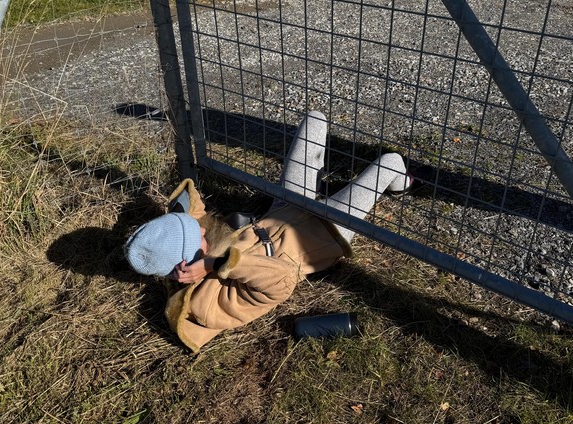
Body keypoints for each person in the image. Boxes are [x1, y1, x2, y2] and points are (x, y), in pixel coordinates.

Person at [124, 111, 412, 352]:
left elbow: (195, 218)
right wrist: (214, 264)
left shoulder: (194, 250)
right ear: (186, 259)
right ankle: (403, 184)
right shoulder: (210, 303)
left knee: (314, 119)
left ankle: (327, 186)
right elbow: (281, 281)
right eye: (196, 236)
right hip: (325, 232)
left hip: (285, 208)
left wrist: (180, 212)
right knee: (389, 163)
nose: (203, 231)